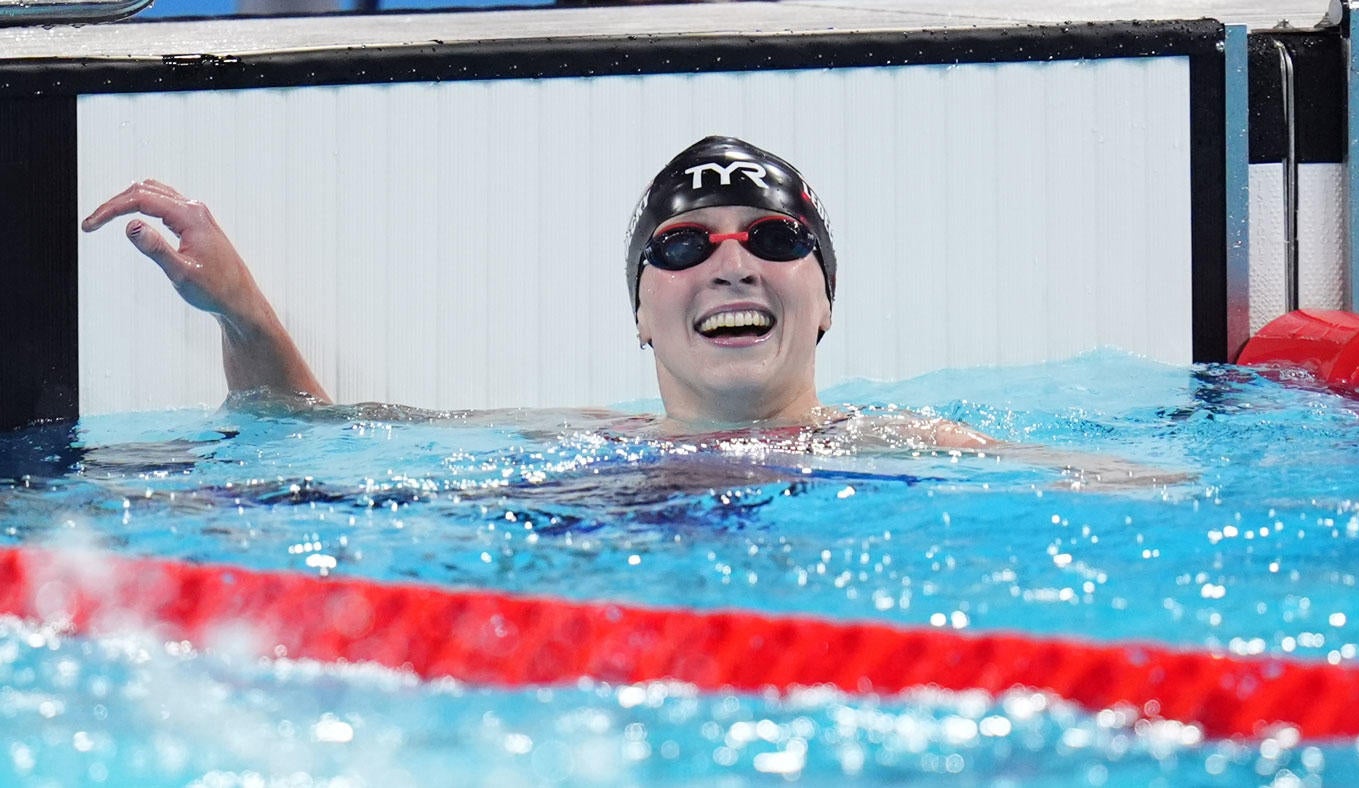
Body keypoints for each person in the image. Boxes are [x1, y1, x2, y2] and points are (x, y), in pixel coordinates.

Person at [84, 136, 1183, 486]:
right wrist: (238, 311)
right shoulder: (572, 447)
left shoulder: (915, 449)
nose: (731, 264)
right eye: (683, 247)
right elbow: (300, 436)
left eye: (774, 238)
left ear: (825, 299)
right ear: (641, 317)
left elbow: (1157, 490)